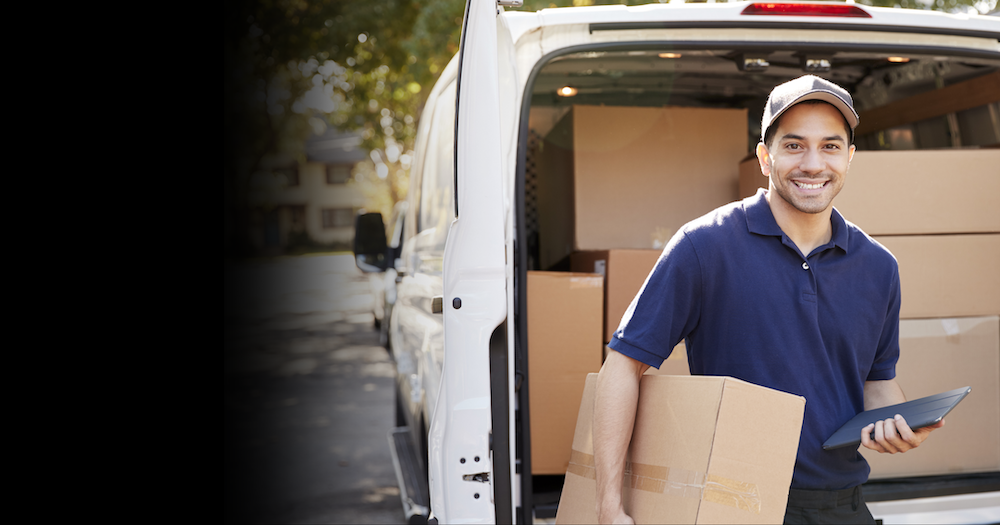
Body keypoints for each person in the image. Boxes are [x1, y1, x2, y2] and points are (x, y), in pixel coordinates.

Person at [592, 75, 943, 525]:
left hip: (843, 506)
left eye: (830, 146)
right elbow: (623, 365)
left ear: (850, 157)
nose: (813, 164)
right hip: (734, 502)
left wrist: (899, 424)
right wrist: (608, 507)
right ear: (765, 156)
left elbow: (876, 382)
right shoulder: (705, 247)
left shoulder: (878, 267)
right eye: (794, 145)